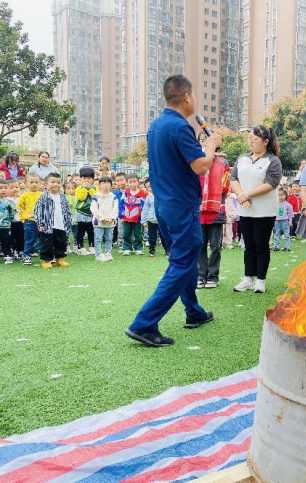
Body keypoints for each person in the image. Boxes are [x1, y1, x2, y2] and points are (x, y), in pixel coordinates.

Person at [126, 74, 221, 347]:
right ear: (187, 97)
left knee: (184, 260)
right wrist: (211, 146)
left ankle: (194, 312)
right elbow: (200, 166)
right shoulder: (180, 127)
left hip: (164, 205)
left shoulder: (157, 125)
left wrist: (205, 151)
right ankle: (143, 324)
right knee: (182, 263)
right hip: (181, 207)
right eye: (195, 95)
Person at [231, 125, 282, 294]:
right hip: (245, 210)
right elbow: (233, 179)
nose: (251, 141)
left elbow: (270, 184)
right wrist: (241, 195)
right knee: (249, 245)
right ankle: (248, 278)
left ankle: (260, 280)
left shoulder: (272, 161)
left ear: (265, 142)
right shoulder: (242, 158)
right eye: (249, 138)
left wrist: (247, 195)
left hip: (264, 211)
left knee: (261, 245)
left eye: (255, 138)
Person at [197, 132, 231, 289]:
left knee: (216, 245)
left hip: (216, 209)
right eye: (202, 141)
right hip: (198, 210)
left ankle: (213, 275)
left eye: (208, 141)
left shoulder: (223, 162)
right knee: (199, 245)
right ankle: (200, 275)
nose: (205, 144)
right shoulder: (195, 162)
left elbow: (225, 186)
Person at [33, 173, 72, 269]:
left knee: (61, 242)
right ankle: (46, 260)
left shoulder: (63, 197)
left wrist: (68, 222)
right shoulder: (43, 197)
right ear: (46, 184)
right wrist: (40, 224)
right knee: (47, 244)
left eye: (58, 182)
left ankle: (60, 259)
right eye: (53, 182)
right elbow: (38, 211)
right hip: (47, 225)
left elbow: (67, 210)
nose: (55, 184)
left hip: (61, 225)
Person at [90, 176, 118, 262]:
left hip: (110, 222)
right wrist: (102, 218)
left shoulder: (113, 197)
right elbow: (94, 209)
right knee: (98, 238)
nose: (105, 185)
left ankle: (108, 253)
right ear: (99, 185)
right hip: (98, 222)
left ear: (111, 185)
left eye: (108, 183)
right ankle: (98, 254)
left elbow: (115, 208)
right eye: (103, 183)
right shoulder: (96, 196)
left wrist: (112, 218)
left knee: (109, 238)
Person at [17, 173, 43, 265]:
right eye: (31, 182)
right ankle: (26, 255)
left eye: (36, 182)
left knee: (43, 238)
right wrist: (23, 218)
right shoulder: (24, 195)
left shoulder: (42, 195)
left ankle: (45, 255)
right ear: (26, 183)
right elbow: (19, 207)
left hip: (41, 222)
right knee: (29, 239)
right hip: (29, 221)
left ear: (40, 183)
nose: (34, 184)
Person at [120, 175, 147, 255]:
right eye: (130, 182)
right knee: (126, 233)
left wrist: (143, 217)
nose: (132, 184)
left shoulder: (141, 193)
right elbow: (121, 204)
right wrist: (121, 216)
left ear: (138, 182)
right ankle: (127, 248)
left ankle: (138, 248)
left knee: (138, 233)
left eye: (134, 181)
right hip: (126, 218)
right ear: (127, 183)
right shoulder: (126, 193)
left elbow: (144, 205)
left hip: (138, 218)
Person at [141, 181, 169, 257]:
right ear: (147, 189)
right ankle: (152, 251)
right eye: (148, 187)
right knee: (152, 237)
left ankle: (167, 250)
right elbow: (145, 209)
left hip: (162, 220)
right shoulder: (149, 198)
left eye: (151, 185)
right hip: (151, 220)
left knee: (164, 236)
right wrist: (143, 220)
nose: (151, 187)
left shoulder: (163, 196)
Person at [74, 167, 97, 255]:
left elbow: (95, 197)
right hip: (81, 213)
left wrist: (90, 189)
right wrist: (84, 189)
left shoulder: (95, 188)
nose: (86, 180)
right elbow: (81, 198)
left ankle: (92, 246)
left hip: (91, 213)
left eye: (89, 178)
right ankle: (80, 247)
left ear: (93, 179)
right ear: (80, 178)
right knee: (81, 231)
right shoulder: (79, 188)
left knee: (91, 231)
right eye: (84, 178)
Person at [0, 180, 16, 264]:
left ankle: (7, 255)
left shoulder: (9, 202)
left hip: (5, 225)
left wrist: (8, 220)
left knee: (6, 240)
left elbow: (12, 212)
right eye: (1, 188)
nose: (3, 190)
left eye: (6, 188)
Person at [6, 179, 22, 259]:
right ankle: (12, 251)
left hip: (20, 221)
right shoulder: (6, 199)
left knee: (21, 237)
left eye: (16, 187)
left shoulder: (21, 198)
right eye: (11, 188)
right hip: (10, 222)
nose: (14, 189)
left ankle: (21, 251)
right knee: (11, 237)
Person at [113, 172, 127, 249]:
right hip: (120, 215)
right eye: (117, 181)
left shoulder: (130, 191)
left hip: (130, 214)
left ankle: (131, 243)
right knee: (120, 229)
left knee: (131, 230)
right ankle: (121, 243)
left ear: (126, 180)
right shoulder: (115, 193)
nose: (120, 182)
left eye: (121, 180)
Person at [64, 182, 78, 253]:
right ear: (65, 190)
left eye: (73, 188)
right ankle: (67, 246)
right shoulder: (64, 198)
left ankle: (76, 246)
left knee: (76, 234)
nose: (70, 190)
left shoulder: (77, 198)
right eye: (68, 189)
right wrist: (70, 198)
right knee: (66, 234)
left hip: (75, 219)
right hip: (67, 220)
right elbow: (69, 204)